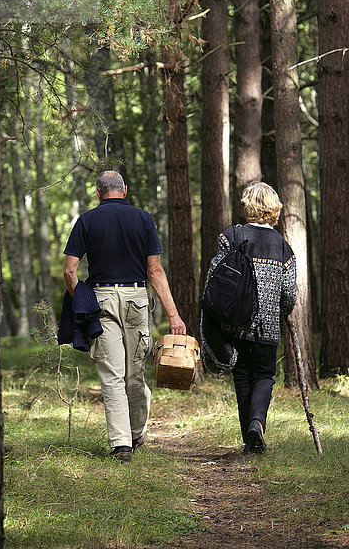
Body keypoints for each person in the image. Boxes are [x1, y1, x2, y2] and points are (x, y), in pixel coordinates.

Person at [63, 170, 186, 463]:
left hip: (101, 298)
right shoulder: (143, 219)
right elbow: (154, 271)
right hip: (136, 299)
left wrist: (80, 298)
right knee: (134, 374)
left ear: (98, 193)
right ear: (125, 190)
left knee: (112, 376)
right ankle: (134, 433)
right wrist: (174, 315)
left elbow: (70, 270)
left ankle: (121, 446)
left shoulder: (86, 220)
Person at [204, 182, 297, 454]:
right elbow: (289, 293)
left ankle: (250, 441)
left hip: (235, 322)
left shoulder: (232, 236)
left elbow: (215, 277)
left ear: (249, 206)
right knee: (265, 375)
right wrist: (283, 311)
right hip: (268, 327)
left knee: (242, 375)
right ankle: (257, 422)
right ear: (273, 209)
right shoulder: (282, 247)